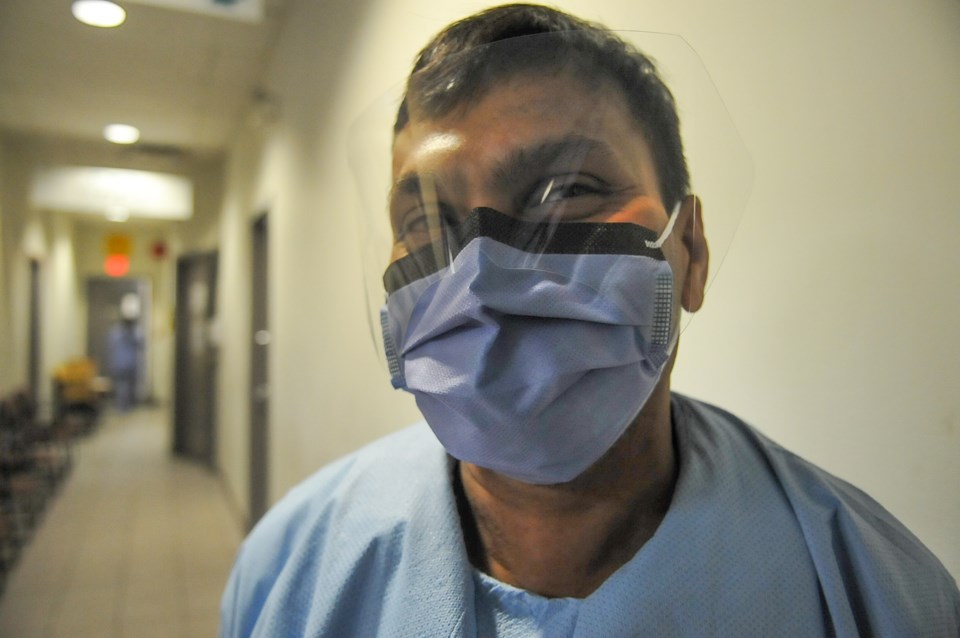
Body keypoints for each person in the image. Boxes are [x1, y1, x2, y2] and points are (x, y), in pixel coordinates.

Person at [220, 5, 959, 636]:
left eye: (566, 189)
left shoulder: (879, 594)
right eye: (425, 220)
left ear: (690, 251)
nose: (477, 276)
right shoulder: (289, 569)